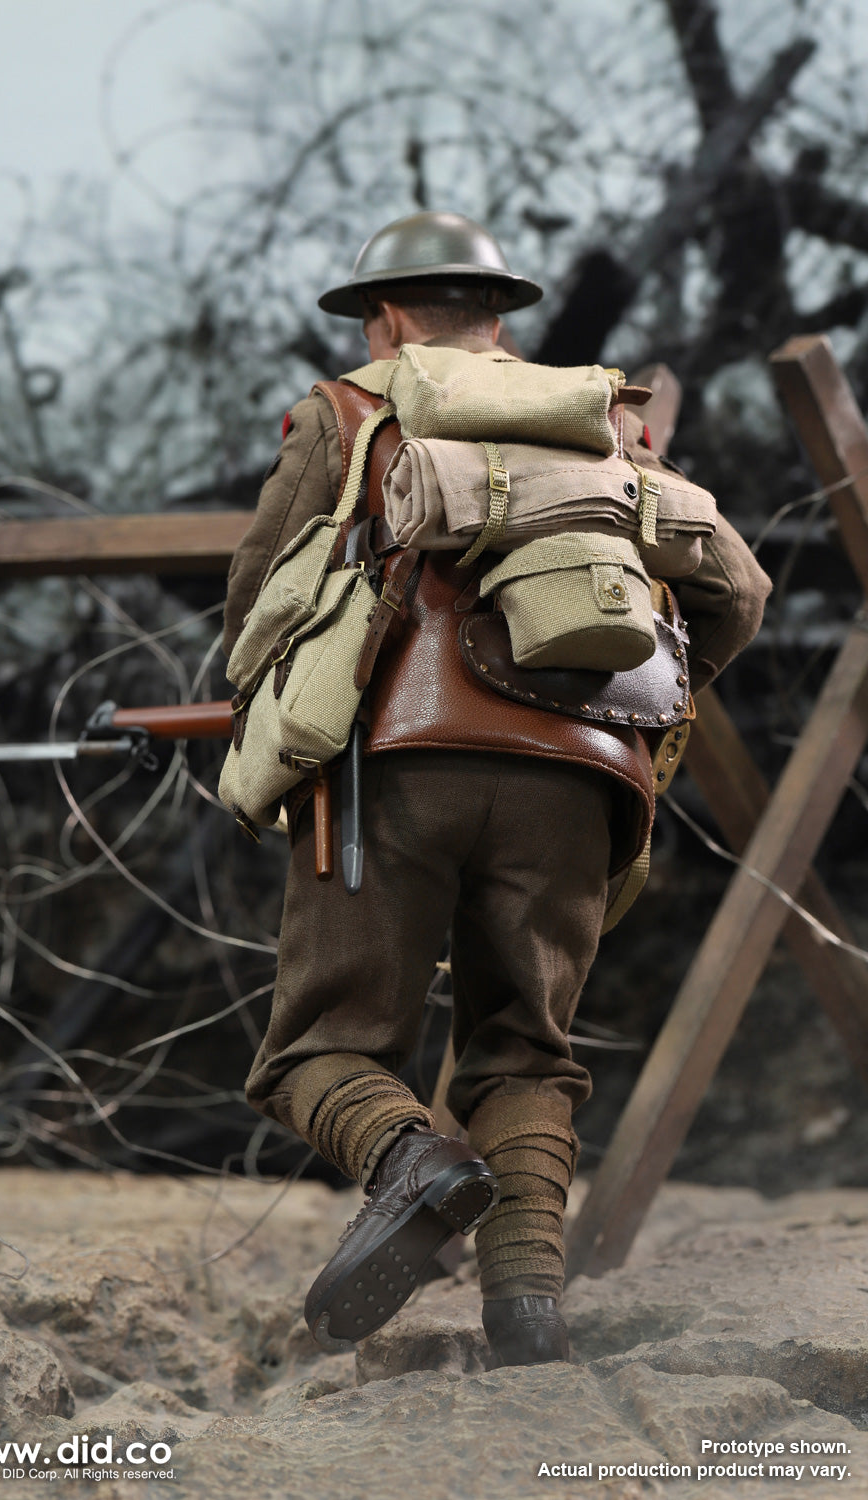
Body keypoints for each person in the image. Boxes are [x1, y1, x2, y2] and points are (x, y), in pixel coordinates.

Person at [222, 211, 771, 1365]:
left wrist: (268, 713)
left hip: (396, 773)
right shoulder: (604, 425)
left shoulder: (345, 413)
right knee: (525, 1055)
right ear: (500, 317)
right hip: (579, 780)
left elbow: (259, 598)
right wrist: (645, 707)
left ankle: (415, 1161)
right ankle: (526, 1312)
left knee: (316, 1052)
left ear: (383, 317)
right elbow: (737, 588)